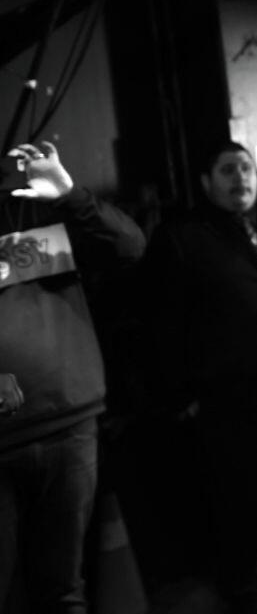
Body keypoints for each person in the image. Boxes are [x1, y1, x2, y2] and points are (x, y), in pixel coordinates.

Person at [142, 141, 257, 612]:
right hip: (234, 395)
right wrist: (181, 391)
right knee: (244, 501)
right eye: (226, 170)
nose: (239, 178)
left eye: (245, 168)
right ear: (205, 182)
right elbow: (165, 324)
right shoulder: (183, 237)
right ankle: (246, 585)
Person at [0, 141, 146, 614]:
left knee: (63, 592)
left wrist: (67, 193)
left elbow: (129, 247)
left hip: (68, 423)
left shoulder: (29, 211)